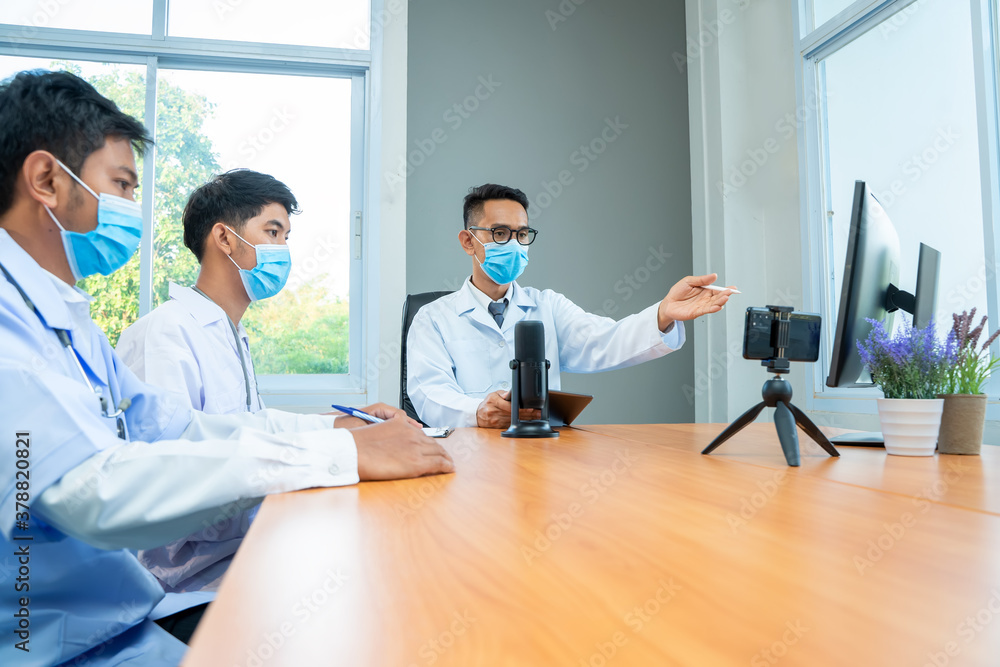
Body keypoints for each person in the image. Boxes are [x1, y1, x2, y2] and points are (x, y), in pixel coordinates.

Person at [0, 69, 453, 666]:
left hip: (115, 619)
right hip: (58, 640)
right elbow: (93, 491)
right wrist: (339, 455)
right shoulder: (22, 323)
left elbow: (178, 427)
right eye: (121, 185)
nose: (132, 208)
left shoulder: (66, 319)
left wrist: (335, 433)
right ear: (45, 180)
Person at [115, 169, 402, 641]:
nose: (283, 249)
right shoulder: (166, 334)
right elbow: (174, 483)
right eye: (272, 232)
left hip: (241, 559)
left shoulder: (230, 333)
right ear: (225, 239)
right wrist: (330, 452)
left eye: (286, 236)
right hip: (189, 589)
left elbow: (247, 430)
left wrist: (347, 425)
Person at [406, 183, 734, 428]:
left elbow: (604, 340)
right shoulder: (433, 318)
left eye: (522, 235)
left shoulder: (547, 306)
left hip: (539, 453)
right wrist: (477, 412)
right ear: (468, 241)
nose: (515, 244)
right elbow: (429, 393)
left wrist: (663, 314)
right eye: (501, 233)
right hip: (468, 455)